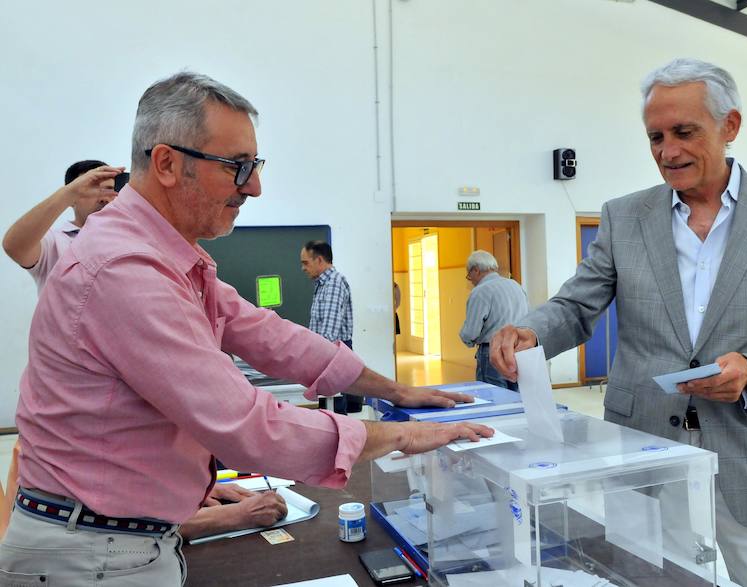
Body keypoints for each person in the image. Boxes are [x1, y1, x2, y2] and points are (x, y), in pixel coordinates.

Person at [1, 71, 490, 585]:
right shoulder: (124, 270)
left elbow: (268, 334)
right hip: (90, 557)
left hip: (118, 541)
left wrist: (396, 390)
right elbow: (245, 424)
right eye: (238, 167)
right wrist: (401, 436)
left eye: (254, 166)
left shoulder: (170, 258)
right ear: (167, 163)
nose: (254, 186)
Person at [490, 58, 747, 587]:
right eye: (655, 136)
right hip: (643, 450)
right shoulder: (624, 217)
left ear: (731, 126)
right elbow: (577, 303)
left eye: (684, 132)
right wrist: (532, 331)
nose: (667, 152)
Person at [3, 159, 290, 541]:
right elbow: (14, 244)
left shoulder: (147, 251)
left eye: (114, 188)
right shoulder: (62, 244)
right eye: (96, 190)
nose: (109, 197)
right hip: (86, 414)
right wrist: (70, 194)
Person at [2, 160, 122, 291]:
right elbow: (15, 246)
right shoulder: (54, 242)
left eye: (109, 189)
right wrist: (71, 192)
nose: (103, 198)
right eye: (91, 189)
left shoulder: (128, 239)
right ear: (71, 199)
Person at [300, 240, 360, 413]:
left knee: (335, 407)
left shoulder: (334, 283)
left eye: (306, 263)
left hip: (333, 353)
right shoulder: (322, 284)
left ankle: (340, 439)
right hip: (327, 352)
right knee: (328, 407)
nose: (303, 268)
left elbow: (329, 334)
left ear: (319, 260)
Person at [459, 250, 528, 390]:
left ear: (476, 270)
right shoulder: (515, 285)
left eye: (469, 275)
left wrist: (466, 339)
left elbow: (471, 332)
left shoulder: (480, 291)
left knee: (494, 399)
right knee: (517, 398)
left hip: (492, 352)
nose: (470, 280)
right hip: (519, 349)